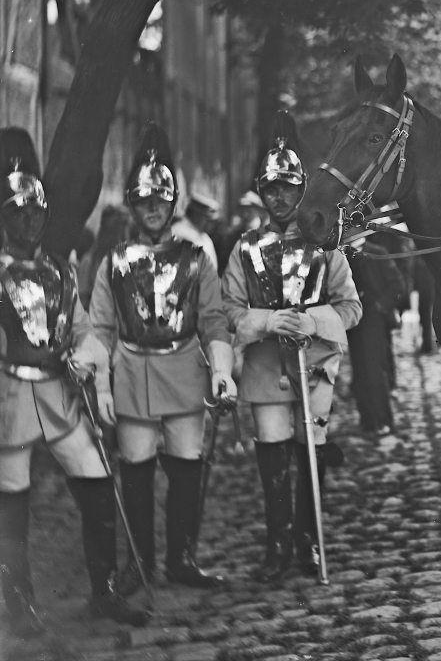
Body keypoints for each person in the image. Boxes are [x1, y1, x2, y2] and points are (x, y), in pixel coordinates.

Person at [0, 128, 148, 634]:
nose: (28, 220)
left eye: (35, 211)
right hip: (10, 397)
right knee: (11, 496)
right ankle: (19, 606)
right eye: (17, 211)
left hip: (60, 394)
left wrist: (85, 355)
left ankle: (103, 592)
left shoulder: (60, 271)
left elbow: (82, 328)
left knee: (96, 480)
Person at [88, 123, 237, 594]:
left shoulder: (197, 256)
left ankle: (182, 557)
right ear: (133, 204)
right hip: (132, 369)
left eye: (161, 200)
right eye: (144, 201)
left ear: (173, 204)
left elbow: (213, 319)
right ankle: (139, 562)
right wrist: (101, 385)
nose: (153, 209)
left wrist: (221, 373)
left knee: (187, 463)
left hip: (185, 368)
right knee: (135, 464)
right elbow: (101, 327)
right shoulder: (114, 261)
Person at [222, 111, 361, 581]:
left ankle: (310, 539)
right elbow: (230, 309)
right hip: (265, 366)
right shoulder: (245, 248)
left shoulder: (326, 246)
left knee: (311, 447)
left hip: (315, 363)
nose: (279, 197)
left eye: (287, 187)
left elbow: (350, 308)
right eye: (271, 188)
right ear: (261, 192)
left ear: (302, 190)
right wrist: (265, 320)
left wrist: (311, 319)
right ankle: (277, 544)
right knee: (273, 450)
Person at [347, 236, 412, 435]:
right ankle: (367, 420)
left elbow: (397, 285)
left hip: (373, 320)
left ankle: (382, 420)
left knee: (374, 370)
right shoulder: (342, 255)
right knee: (359, 371)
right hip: (354, 321)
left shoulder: (377, 252)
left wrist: (379, 306)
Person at [171, 192, 221, 272]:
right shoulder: (178, 232)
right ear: (196, 214)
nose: (211, 225)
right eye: (207, 219)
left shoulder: (205, 237)